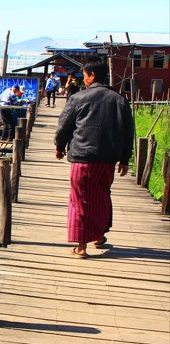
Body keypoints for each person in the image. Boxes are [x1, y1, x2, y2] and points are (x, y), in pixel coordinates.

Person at [54, 57, 134, 257]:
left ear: (92, 75)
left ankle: (81, 246)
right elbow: (128, 132)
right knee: (101, 196)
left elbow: (64, 126)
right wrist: (125, 159)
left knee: (80, 200)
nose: (84, 79)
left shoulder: (78, 98)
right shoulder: (120, 100)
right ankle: (99, 236)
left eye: (85, 75)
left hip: (83, 158)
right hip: (107, 160)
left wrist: (59, 146)